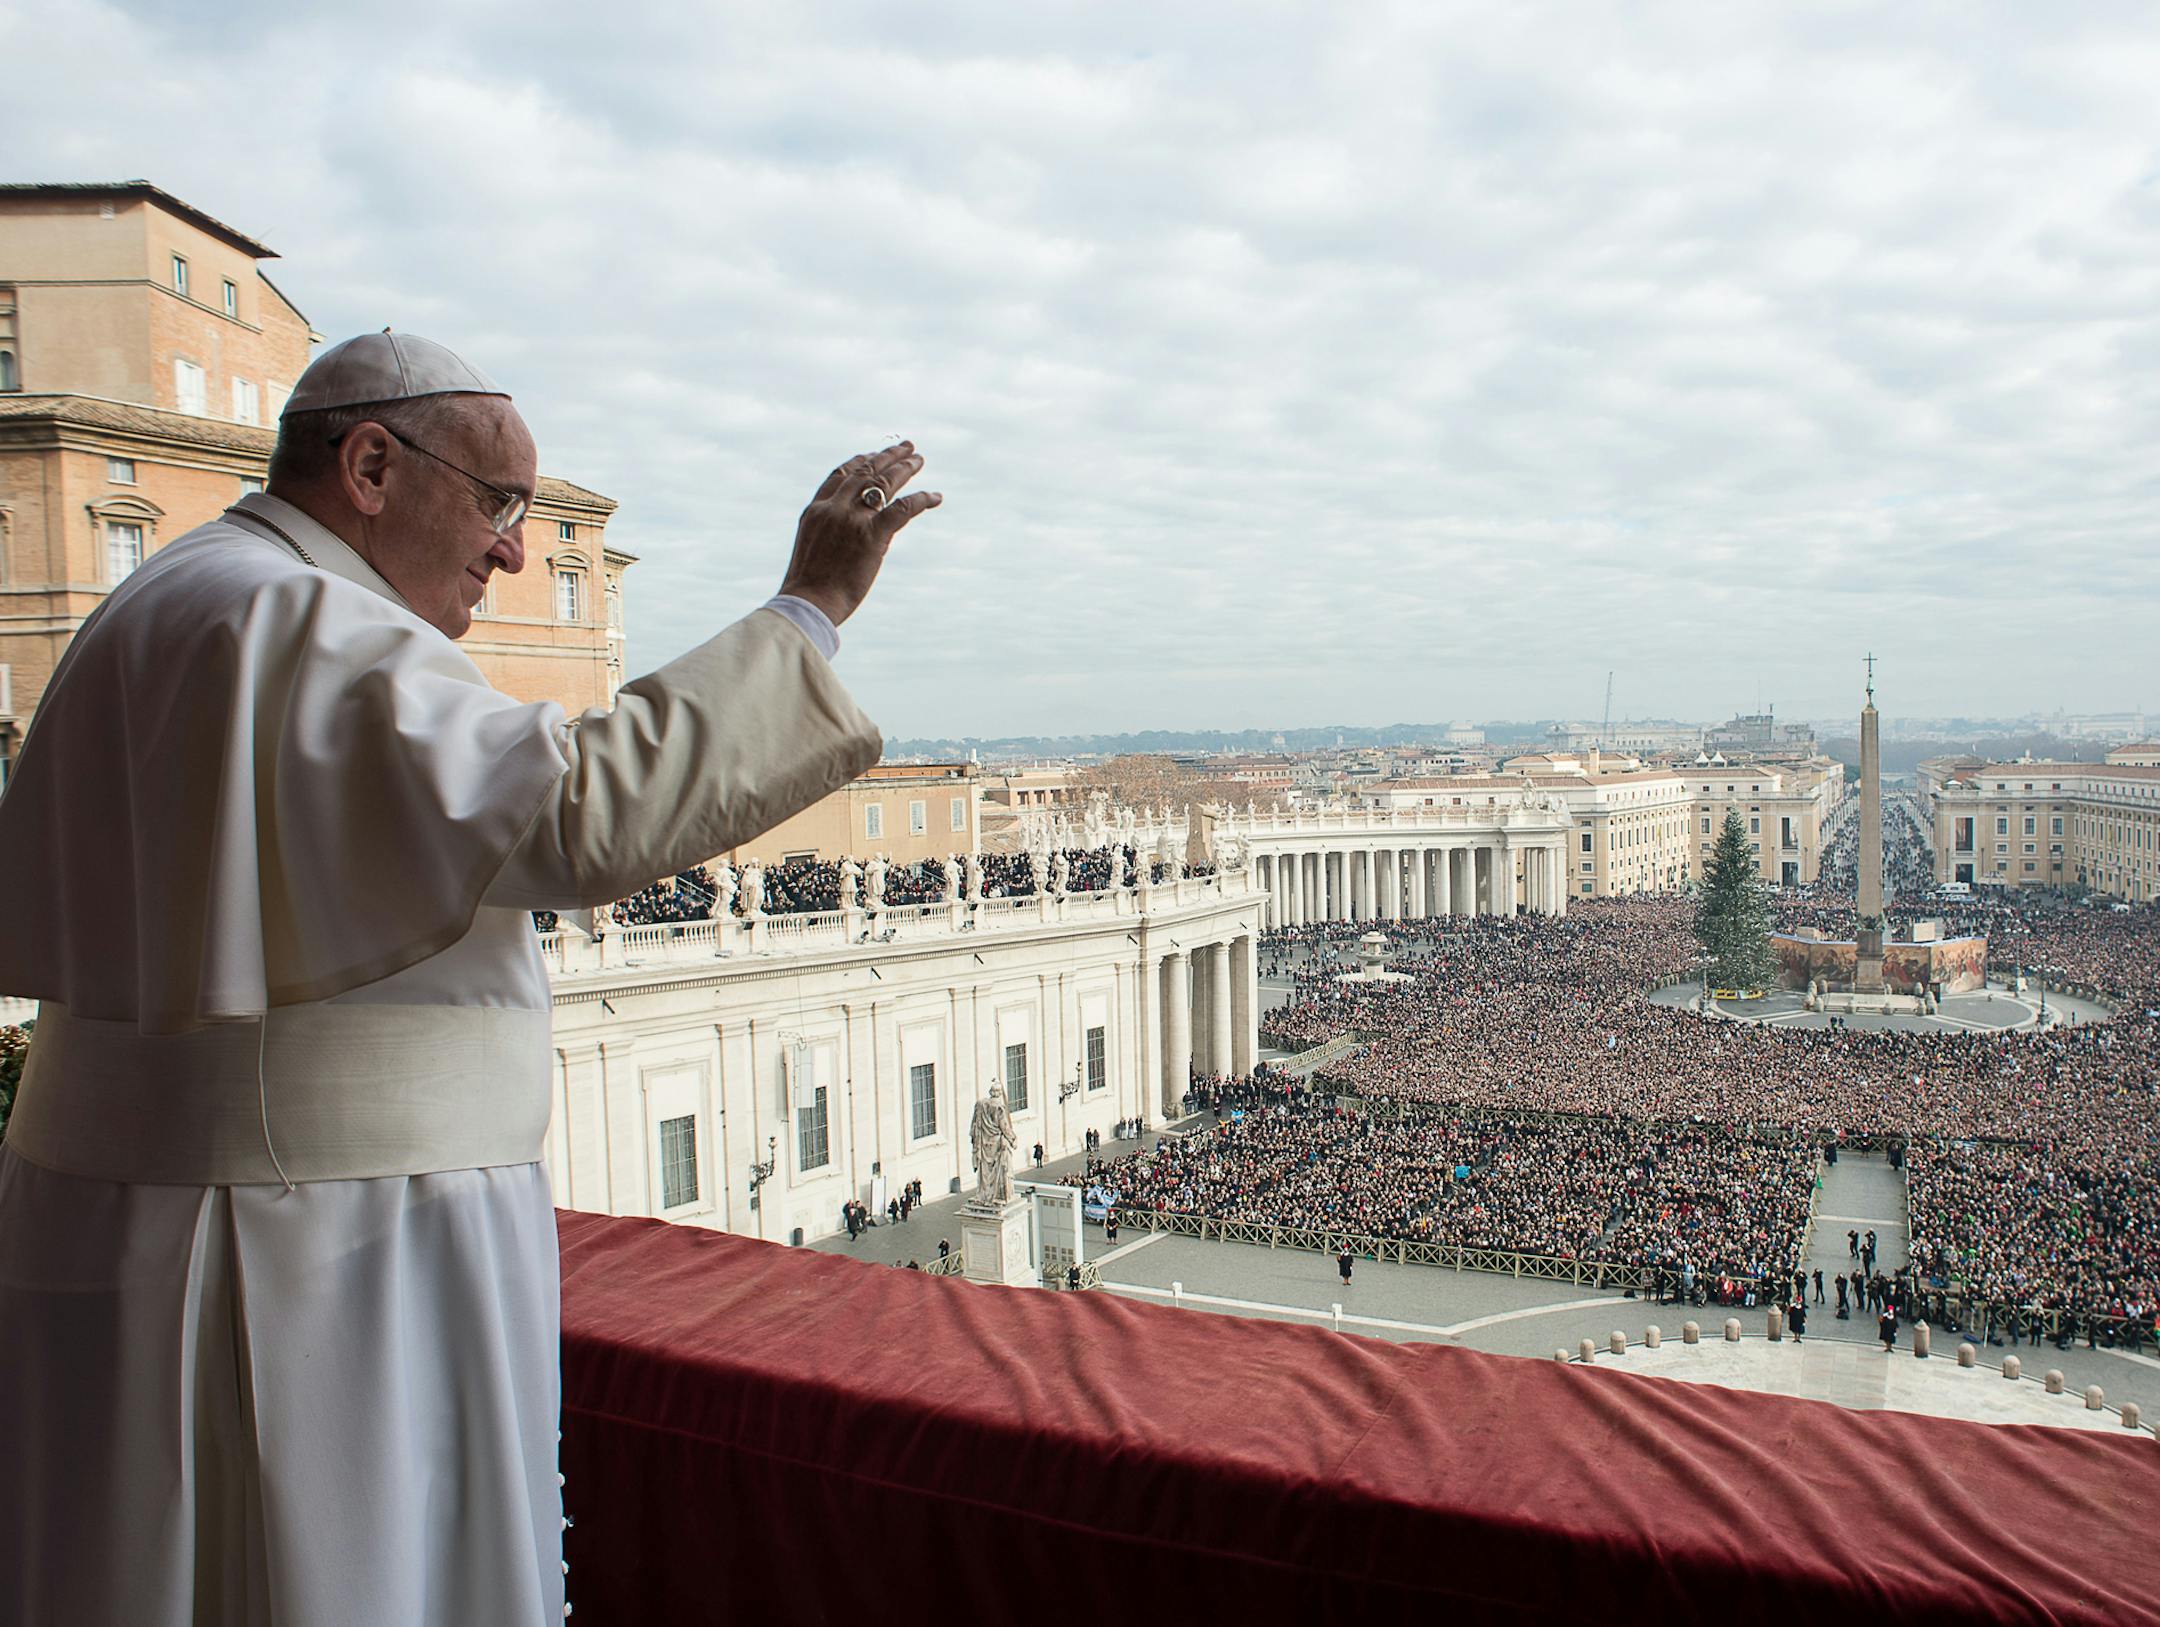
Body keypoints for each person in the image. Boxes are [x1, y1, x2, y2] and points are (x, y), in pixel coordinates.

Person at [0, 329, 940, 1624]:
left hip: (162, 1215)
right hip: (314, 1248)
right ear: (372, 465)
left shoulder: (175, 594)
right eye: (499, 504)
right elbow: (575, 817)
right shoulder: (295, 613)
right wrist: (807, 611)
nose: (512, 550)